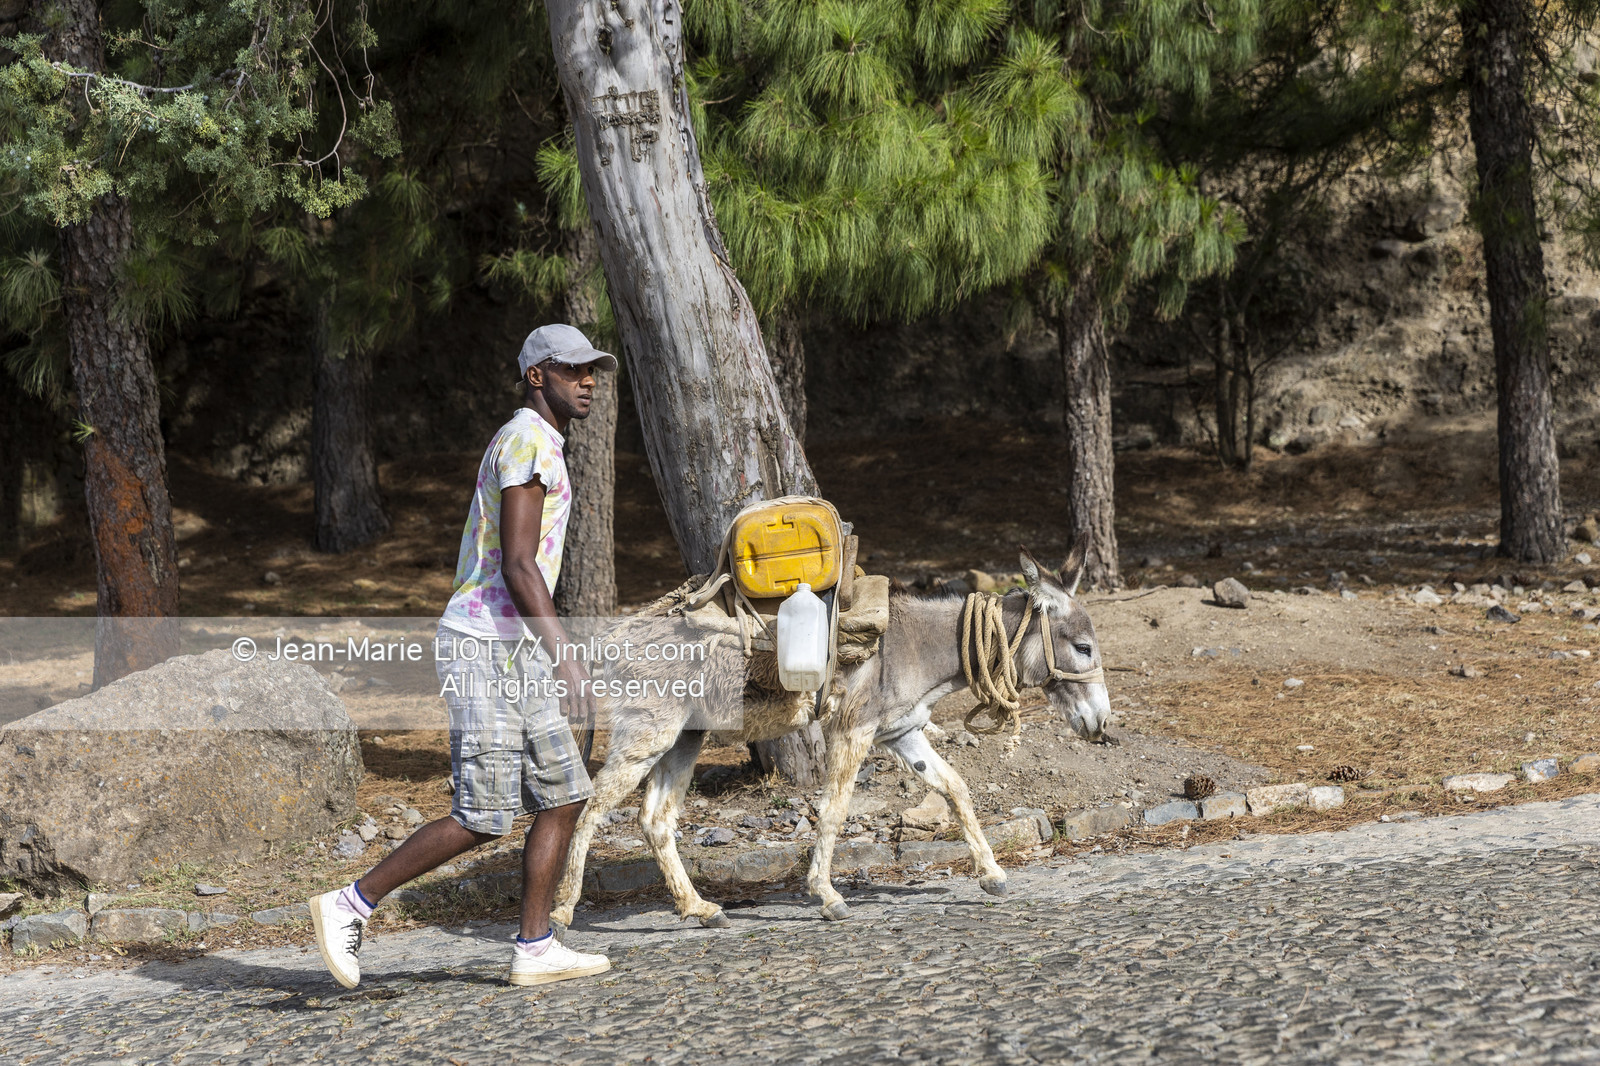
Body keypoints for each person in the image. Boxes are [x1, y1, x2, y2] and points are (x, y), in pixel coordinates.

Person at [309, 324, 617, 988]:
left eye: (592, 369)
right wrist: (565, 656)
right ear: (537, 376)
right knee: (484, 814)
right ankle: (350, 904)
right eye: (572, 369)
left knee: (565, 794)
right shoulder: (527, 440)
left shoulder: (543, 442)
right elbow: (518, 563)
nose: (588, 380)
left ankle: (535, 946)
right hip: (485, 648)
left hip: (516, 651)